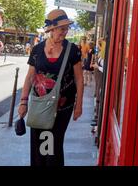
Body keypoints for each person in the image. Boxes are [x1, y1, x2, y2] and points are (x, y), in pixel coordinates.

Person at [17, 9, 84, 166]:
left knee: (53, 145)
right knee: (39, 144)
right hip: (40, 106)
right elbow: (29, 77)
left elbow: (79, 79)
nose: (65, 32)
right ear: (52, 29)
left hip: (62, 108)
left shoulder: (73, 50)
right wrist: (23, 102)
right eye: (62, 29)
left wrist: (78, 105)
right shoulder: (37, 50)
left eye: (66, 28)